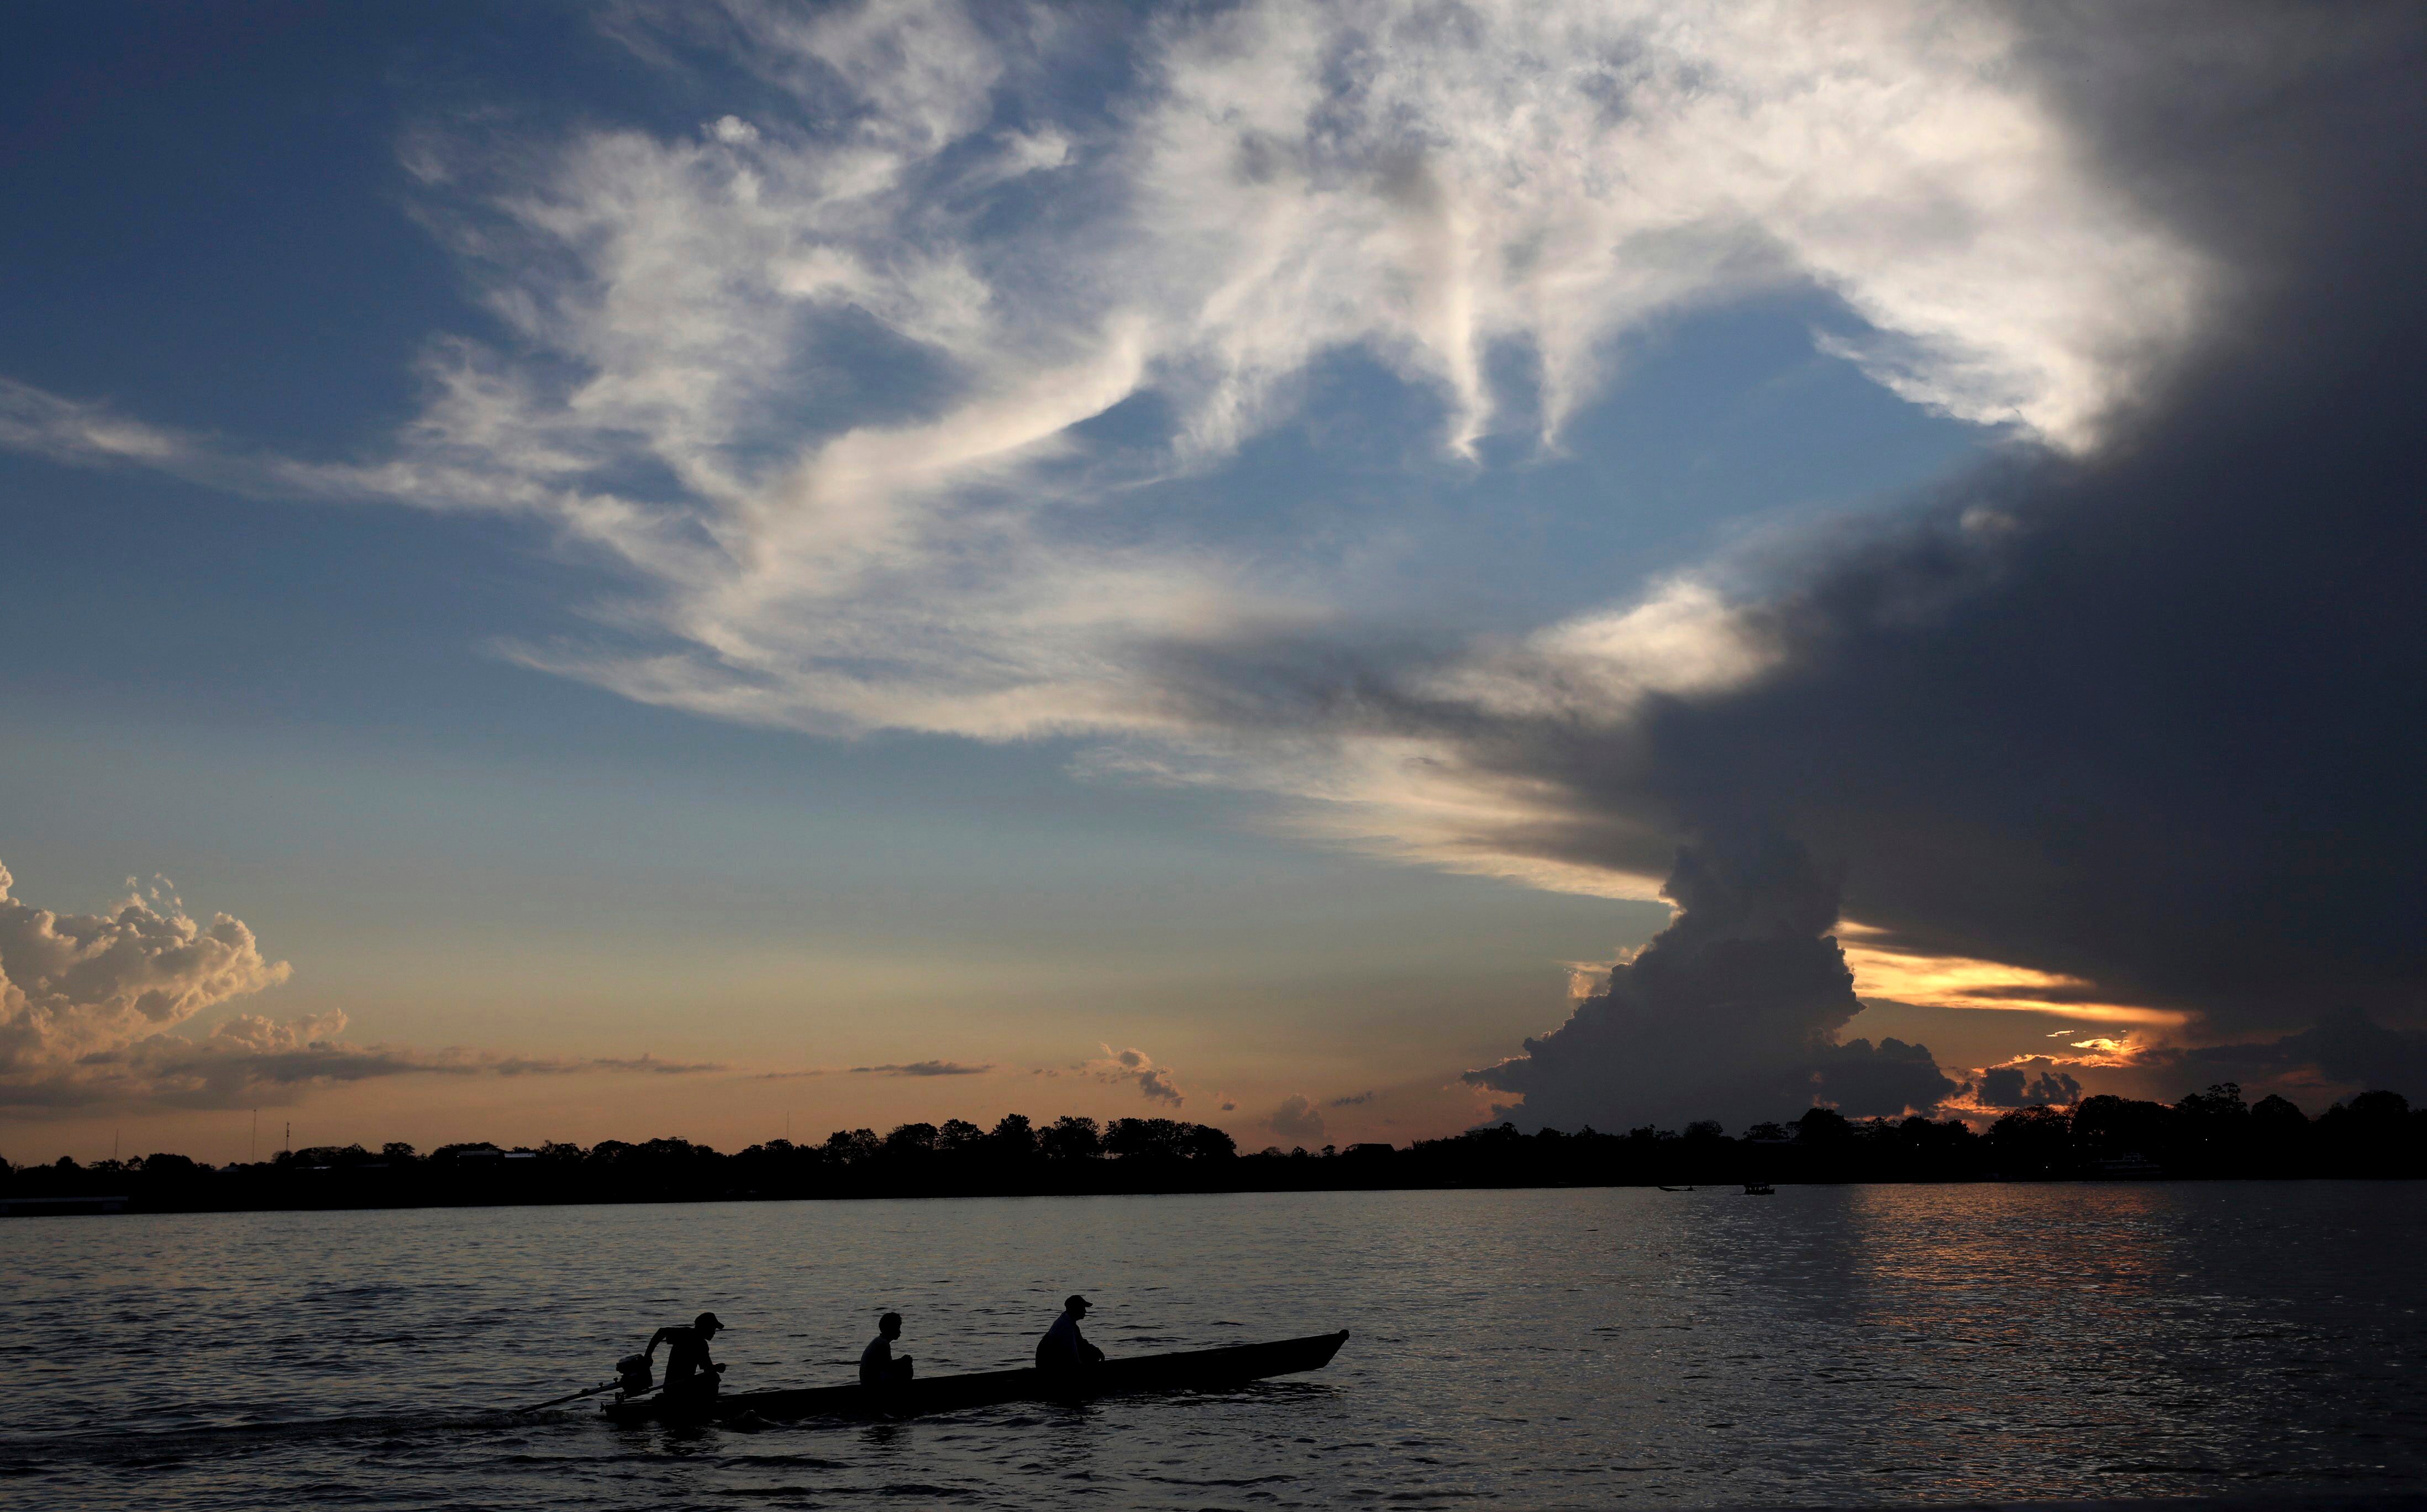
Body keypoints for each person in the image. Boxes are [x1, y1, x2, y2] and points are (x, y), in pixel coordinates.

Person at [648, 1311, 728, 1401]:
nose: (714, 1333)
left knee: (711, 1376)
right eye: (713, 1328)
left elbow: (662, 1332)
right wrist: (718, 1368)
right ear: (706, 1327)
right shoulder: (700, 1343)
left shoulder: (685, 1333)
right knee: (713, 1378)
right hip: (679, 1387)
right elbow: (709, 1370)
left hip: (671, 1387)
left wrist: (648, 1355)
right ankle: (708, 1406)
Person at [1034, 1294, 1105, 1372]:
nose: (1085, 1311)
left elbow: (1081, 1343)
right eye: (1083, 1308)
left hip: (1050, 1362)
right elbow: (1072, 1354)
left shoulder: (1069, 1323)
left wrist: (1096, 1351)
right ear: (1076, 1309)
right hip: (1050, 1366)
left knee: (1092, 1353)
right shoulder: (1066, 1327)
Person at [860, 1311, 914, 1388]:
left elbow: (884, 1365)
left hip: (868, 1381)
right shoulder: (883, 1344)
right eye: (898, 1328)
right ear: (890, 1328)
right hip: (872, 1383)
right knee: (907, 1369)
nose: (900, 1331)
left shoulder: (879, 1341)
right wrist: (902, 1361)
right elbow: (887, 1367)